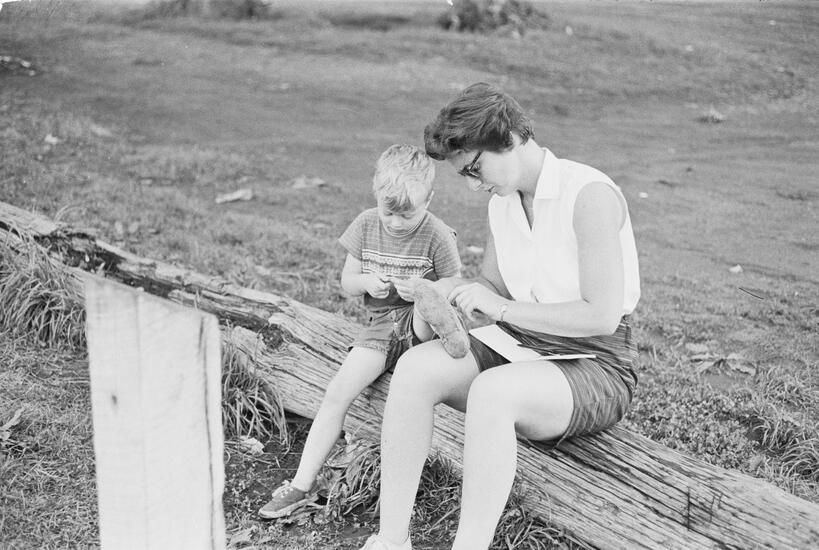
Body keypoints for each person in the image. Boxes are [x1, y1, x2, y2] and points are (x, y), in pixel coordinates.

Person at [358, 83, 641, 550]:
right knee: (415, 369)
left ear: (507, 138)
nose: (473, 185)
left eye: (474, 169)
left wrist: (502, 309)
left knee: (493, 393)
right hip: (522, 345)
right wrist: (449, 290)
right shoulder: (503, 204)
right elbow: (493, 287)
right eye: (464, 175)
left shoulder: (588, 194)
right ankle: (392, 539)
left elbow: (602, 315)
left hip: (596, 362)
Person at [258, 144, 463, 520]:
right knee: (337, 393)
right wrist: (367, 282)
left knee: (426, 299)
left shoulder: (437, 234)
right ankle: (301, 484)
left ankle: (446, 326)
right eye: (389, 212)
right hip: (382, 328)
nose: (396, 223)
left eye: (407, 214)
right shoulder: (367, 224)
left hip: (422, 327)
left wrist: (428, 289)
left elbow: (454, 280)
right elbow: (347, 281)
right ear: (375, 195)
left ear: (430, 199)